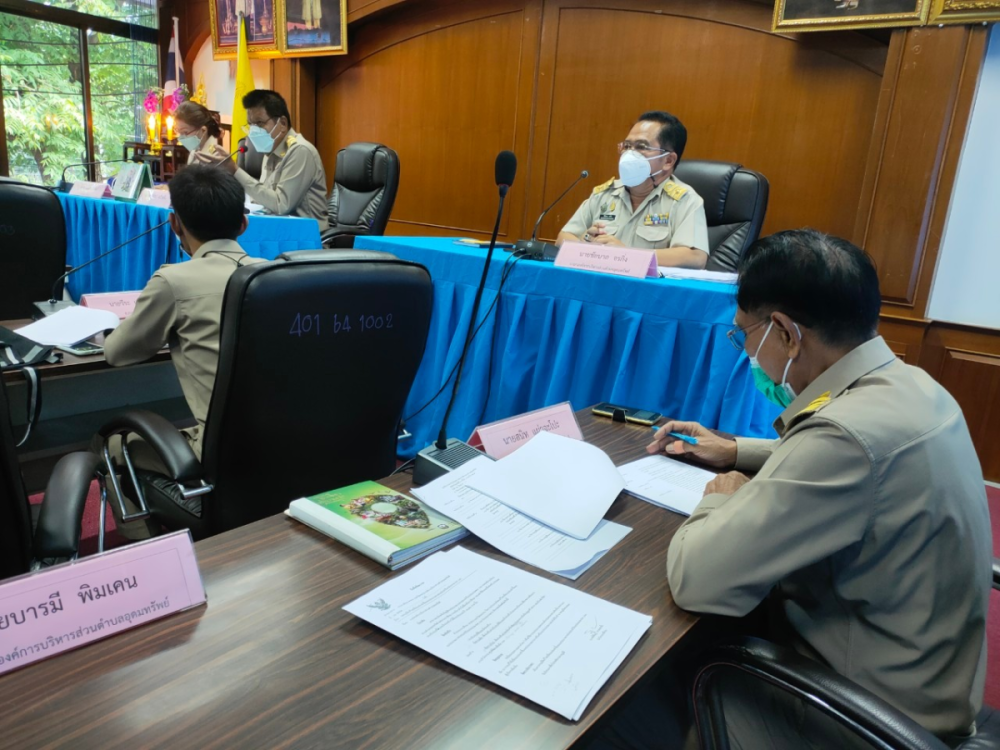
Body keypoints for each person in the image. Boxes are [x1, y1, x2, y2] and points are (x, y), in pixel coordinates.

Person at [645, 229, 991, 745]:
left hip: (863, 718)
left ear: (785, 332)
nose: (747, 355)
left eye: (745, 336)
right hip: (926, 681)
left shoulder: (845, 438)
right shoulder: (914, 385)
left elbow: (698, 578)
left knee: (639, 697)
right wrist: (737, 450)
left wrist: (717, 503)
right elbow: (862, 462)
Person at [99, 166, 265, 538]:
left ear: (174, 224)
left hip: (222, 455)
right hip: (284, 447)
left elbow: (117, 353)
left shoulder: (174, 281)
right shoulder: (273, 275)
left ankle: (160, 566)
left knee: (113, 445)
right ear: (243, 224)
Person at [557, 111, 709, 269]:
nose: (629, 153)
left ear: (668, 161)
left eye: (641, 147)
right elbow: (563, 238)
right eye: (627, 146)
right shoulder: (604, 194)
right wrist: (585, 244)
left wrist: (626, 255)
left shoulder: (684, 200)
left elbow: (695, 257)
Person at [196, 89, 328, 231]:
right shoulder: (270, 150)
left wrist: (235, 170)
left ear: (282, 123)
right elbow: (263, 199)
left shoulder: (300, 151)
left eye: (259, 123)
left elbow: (280, 205)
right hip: (280, 230)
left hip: (307, 239)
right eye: (250, 124)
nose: (253, 131)